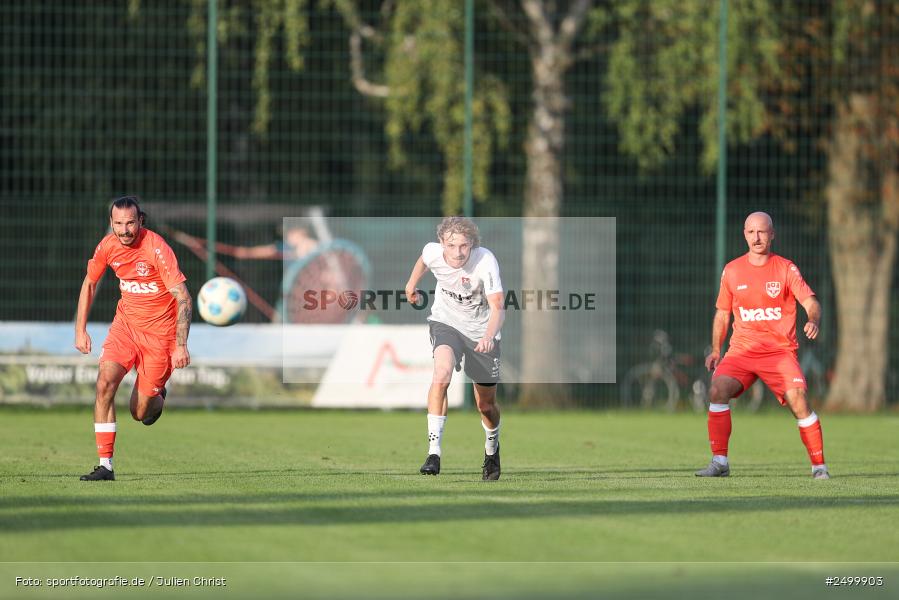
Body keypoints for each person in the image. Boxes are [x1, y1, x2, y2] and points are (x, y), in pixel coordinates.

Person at [696, 211, 828, 479]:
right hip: (742, 351)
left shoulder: (786, 268)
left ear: (772, 234)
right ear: (744, 235)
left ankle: (819, 467)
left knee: (799, 400)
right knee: (717, 389)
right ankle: (720, 462)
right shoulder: (732, 270)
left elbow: (811, 302)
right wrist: (716, 350)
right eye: (751, 232)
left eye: (762, 232)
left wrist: (813, 320)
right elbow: (722, 314)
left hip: (778, 352)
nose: (756, 237)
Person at [74, 196, 192, 481]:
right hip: (125, 328)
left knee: (140, 413)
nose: (124, 230)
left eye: (130, 223)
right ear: (111, 223)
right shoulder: (108, 246)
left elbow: (183, 298)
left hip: (160, 337)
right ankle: (105, 466)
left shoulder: (156, 248)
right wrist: (80, 329)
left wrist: (181, 345)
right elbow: (90, 283)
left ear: (140, 220)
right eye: (118, 223)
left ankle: (157, 397)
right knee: (104, 384)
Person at [405, 216, 505, 481]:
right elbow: (423, 260)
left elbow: (498, 307)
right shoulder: (433, 252)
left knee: (486, 406)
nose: (458, 252)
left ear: (472, 243)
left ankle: (492, 449)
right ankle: (433, 453)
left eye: (463, 246)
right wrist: (411, 285)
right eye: (451, 245)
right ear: (442, 243)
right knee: (441, 375)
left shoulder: (485, 260)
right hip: (446, 322)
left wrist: (488, 336)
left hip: (481, 333)